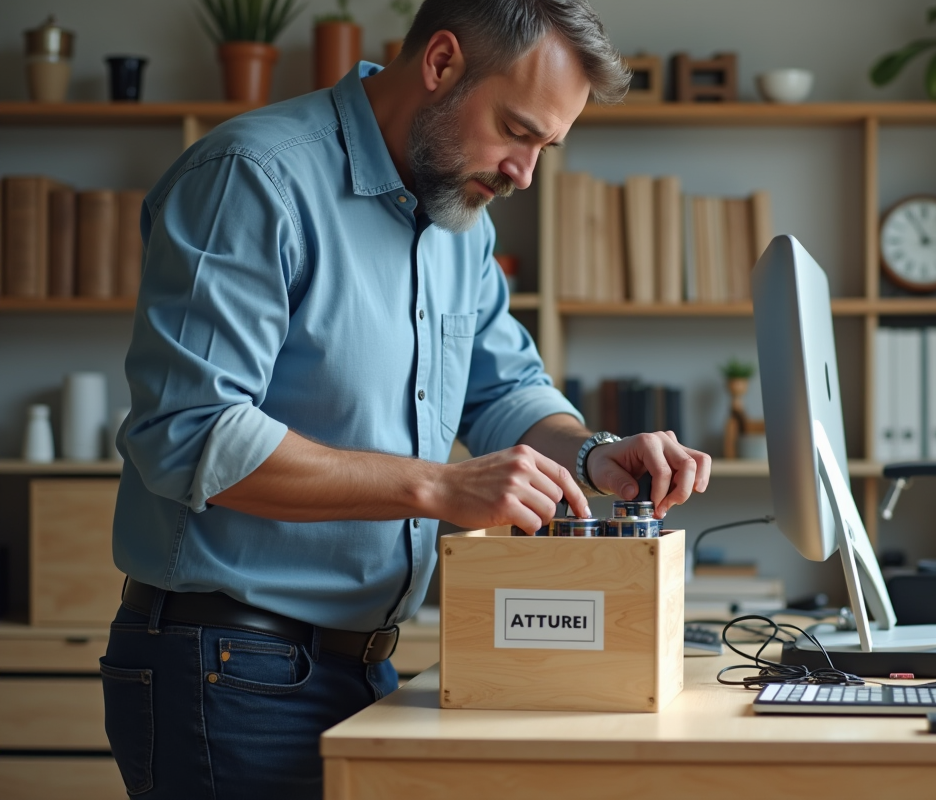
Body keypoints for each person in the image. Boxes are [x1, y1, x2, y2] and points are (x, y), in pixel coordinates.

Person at [100, 0, 710, 797]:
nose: (525, 173)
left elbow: (505, 392)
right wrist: (438, 488)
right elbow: (192, 434)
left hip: (368, 665)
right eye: (520, 131)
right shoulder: (252, 179)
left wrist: (596, 458)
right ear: (442, 63)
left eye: (546, 147)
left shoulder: (461, 218)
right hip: (225, 668)